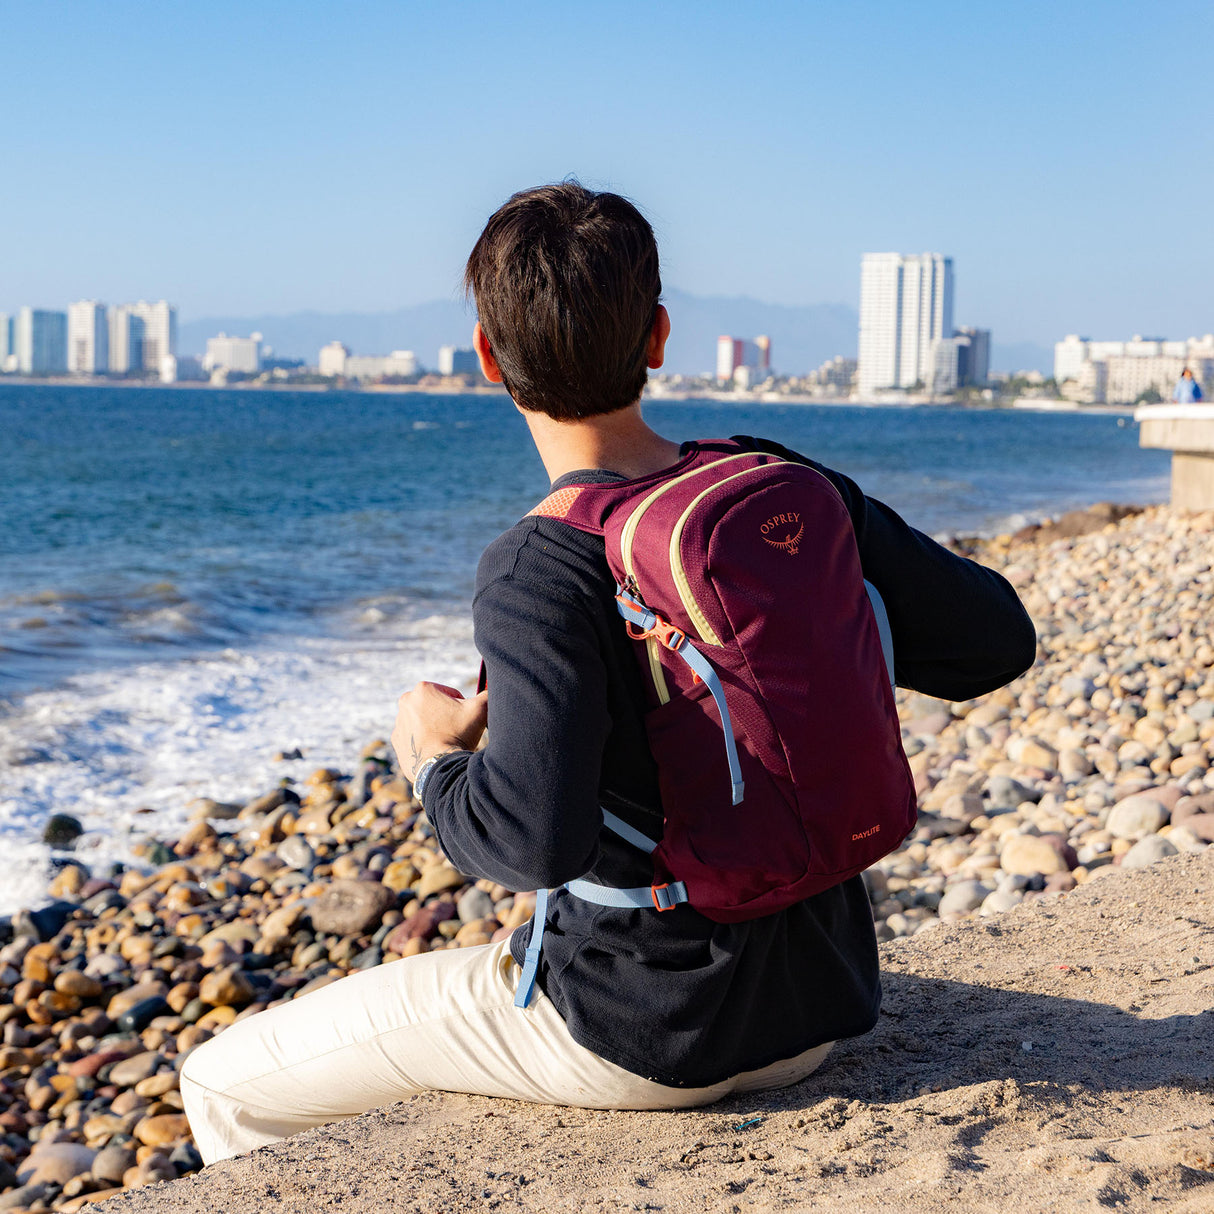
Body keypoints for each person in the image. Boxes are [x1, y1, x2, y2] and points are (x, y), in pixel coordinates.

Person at [181, 183, 1035, 1164]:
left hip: (644, 1030)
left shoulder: (537, 566)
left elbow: (532, 842)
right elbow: (993, 641)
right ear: (659, 335)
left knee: (221, 1080)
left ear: (487, 356)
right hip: (823, 997)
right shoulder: (772, 480)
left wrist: (432, 761)